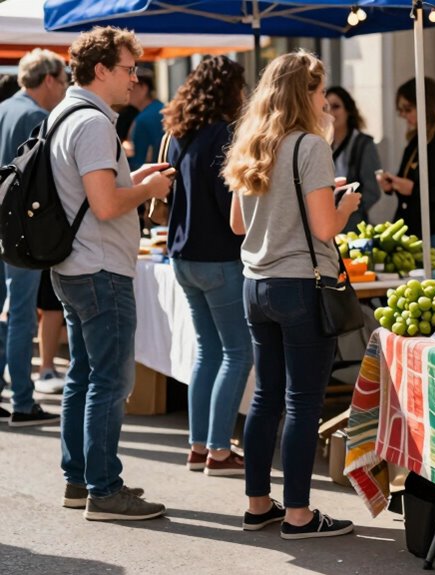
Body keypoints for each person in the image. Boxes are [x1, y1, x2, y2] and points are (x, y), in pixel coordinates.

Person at [223, 50, 360, 539]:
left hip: (255, 284)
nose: (326, 100)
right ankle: (299, 515)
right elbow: (325, 226)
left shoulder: (254, 142)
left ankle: (259, 504)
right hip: (300, 286)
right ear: (305, 93)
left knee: (266, 398)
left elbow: (239, 224)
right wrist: (344, 206)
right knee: (304, 403)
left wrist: (315, 197)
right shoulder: (311, 146)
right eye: (321, 90)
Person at [49, 26, 172, 520]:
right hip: (99, 267)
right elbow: (103, 205)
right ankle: (104, 490)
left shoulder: (66, 113)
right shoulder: (95, 122)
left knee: (84, 374)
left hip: (76, 265)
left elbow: (91, 192)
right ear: (101, 70)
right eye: (127, 69)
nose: (134, 78)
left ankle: (80, 480)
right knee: (109, 380)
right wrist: (149, 188)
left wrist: (134, 178)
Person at [162, 56, 252, 476]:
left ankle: (199, 446)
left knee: (209, 351)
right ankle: (217, 450)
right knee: (237, 352)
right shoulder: (223, 135)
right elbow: (228, 204)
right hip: (218, 257)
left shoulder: (180, 133)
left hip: (182, 255)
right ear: (229, 91)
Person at [0, 49, 68, 426]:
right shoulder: (36, 116)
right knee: (21, 313)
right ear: (48, 80)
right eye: (63, 81)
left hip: (3, 223)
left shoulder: (5, 107)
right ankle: (23, 402)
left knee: (8, 313)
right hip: (19, 229)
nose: (64, 89)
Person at [376, 77, 435, 237]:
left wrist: (414, 190)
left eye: (408, 109)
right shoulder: (417, 139)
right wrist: (392, 185)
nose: (405, 116)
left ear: (427, 105)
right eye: (401, 111)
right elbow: (407, 182)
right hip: (413, 232)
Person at [326, 86, 381, 233]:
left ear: (348, 110)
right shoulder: (320, 144)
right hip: (325, 223)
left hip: (352, 227)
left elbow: (372, 190)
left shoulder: (364, 144)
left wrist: (349, 209)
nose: (331, 113)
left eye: (336, 107)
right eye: (326, 107)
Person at [126, 67, 163, 170]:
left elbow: (138, 162)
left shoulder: (143, 120)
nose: (128, 89)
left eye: (132, 86)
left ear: (143, 88)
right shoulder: (163, 109)